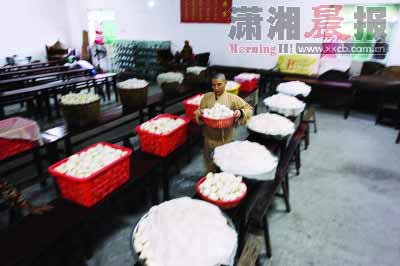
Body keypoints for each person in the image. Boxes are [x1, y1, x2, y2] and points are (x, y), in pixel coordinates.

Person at [195, 73, 253, 172]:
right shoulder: (206, 97)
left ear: (225, 83)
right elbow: (199, 111)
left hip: (226, 139)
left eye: (219, 84)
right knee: (210, 165)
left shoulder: (232, 98)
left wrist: (240, 112)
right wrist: (199, 114)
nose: (216, 88)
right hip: (209, 139)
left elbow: (249, 109)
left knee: (225, 165)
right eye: (213, 85)